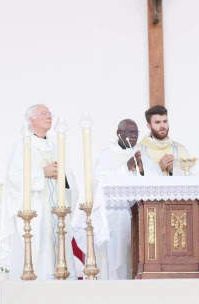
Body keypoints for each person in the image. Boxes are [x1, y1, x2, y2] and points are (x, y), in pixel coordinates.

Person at [0, 104, 78, 280]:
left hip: (57, 210)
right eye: (44, 113)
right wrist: (43, 174)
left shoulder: (56, 146)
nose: (49, 116)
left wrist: (62, 176)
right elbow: (14, 177)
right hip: (36, 211)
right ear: (31, 120)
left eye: (50, 113)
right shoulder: (22, 146)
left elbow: (69, 179)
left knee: (59, 243)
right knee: (39, 249)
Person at [74, 119, 143, 279]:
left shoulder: (139, 152)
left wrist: (141, 169)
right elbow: (100, 181)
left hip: (135, 216)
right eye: (129, 132)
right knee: (114, 260)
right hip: (113, 216)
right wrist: (125, 167)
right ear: (118, 133)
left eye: (136, 133)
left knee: (132, 259)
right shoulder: (107, 154)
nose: (133, 136)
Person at [139, 105, 190, 176]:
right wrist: (158, 168)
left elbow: (190, 178)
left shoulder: (180, 149)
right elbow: (134, 179)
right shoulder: (139, 150)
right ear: (149, 126)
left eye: (165, 121)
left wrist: (173, 170)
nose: (162, 126)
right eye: (157, 122)